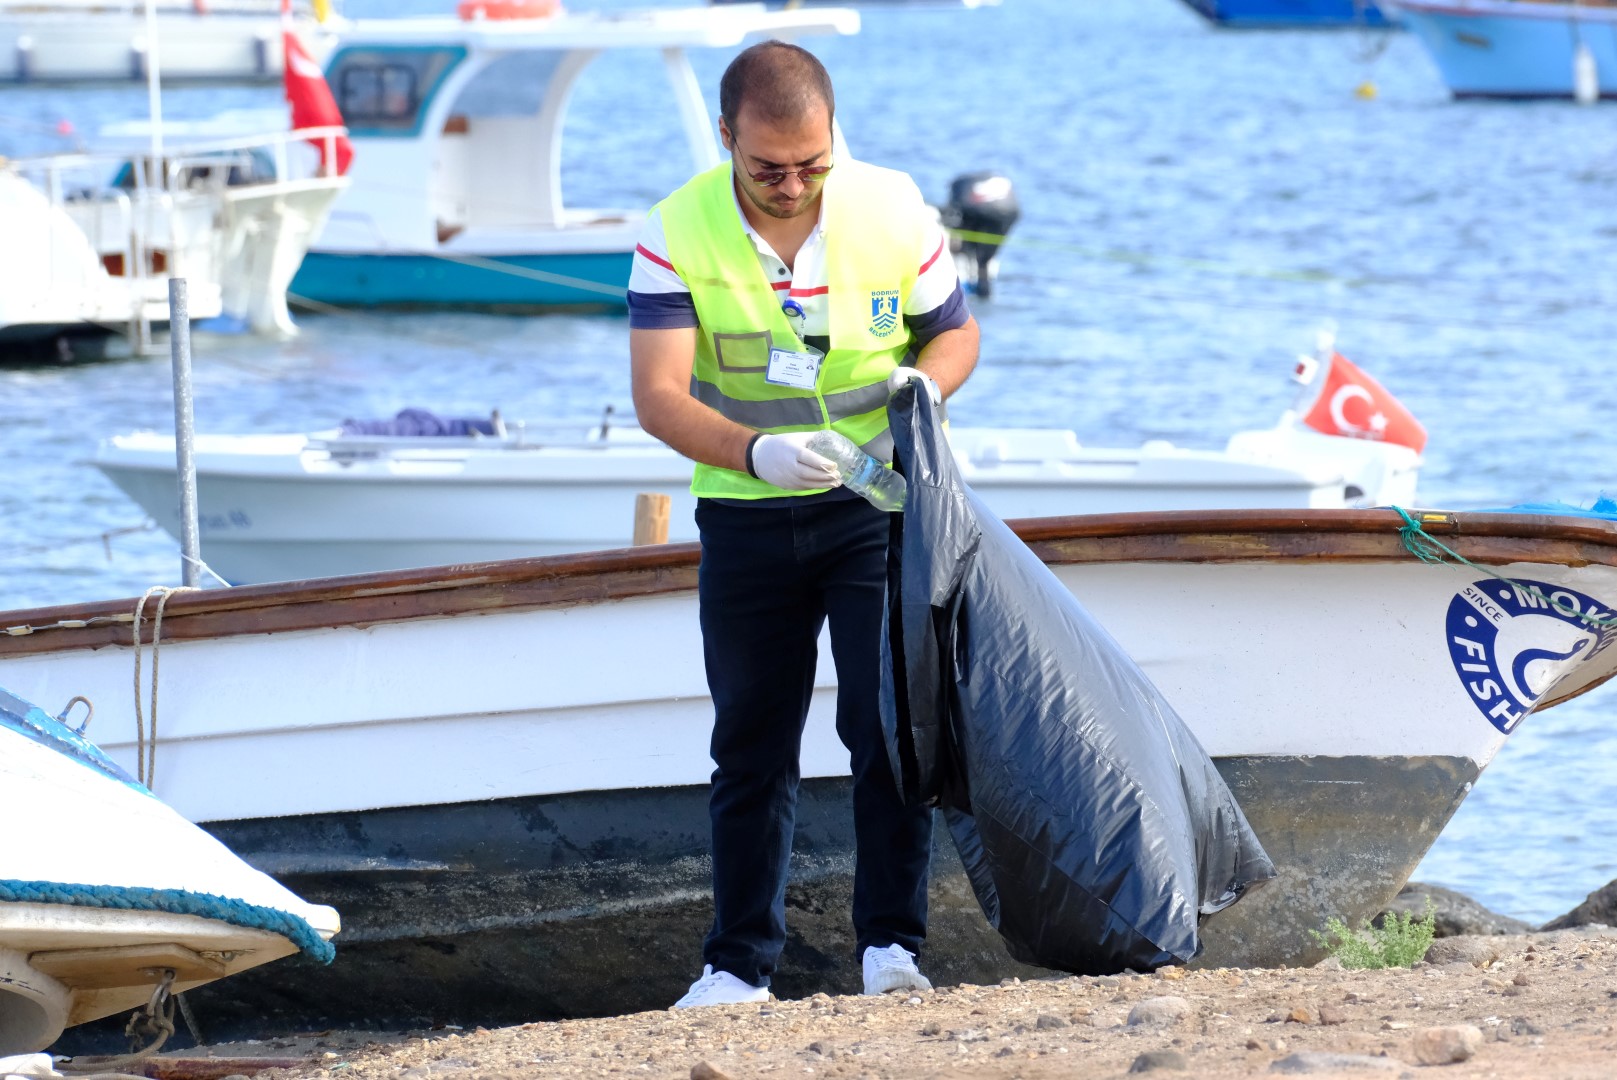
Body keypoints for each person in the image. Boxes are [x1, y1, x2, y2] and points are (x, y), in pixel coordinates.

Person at [628, 39, 979, 1008]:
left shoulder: (893, 209)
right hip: (746, 518)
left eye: (811, 165)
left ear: (835, 136)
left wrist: (925, 384)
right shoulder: (675, 229)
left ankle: (892, 952)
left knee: (887, 729)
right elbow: (656, 395)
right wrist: (753, 452)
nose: (791, 187)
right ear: (724, 137)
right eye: (767, 168)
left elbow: (955, 331)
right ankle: (737, 965)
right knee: (750, 739)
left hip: (871, 509)